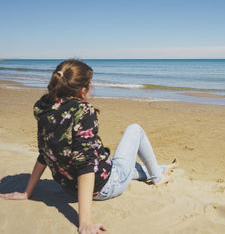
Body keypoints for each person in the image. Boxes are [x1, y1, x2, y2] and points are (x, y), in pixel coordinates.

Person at [0, 59, 178, 234]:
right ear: (83, 90)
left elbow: (46, 153)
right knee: (135, 130)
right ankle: (158, 177)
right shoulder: (83, 111)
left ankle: (162, 168)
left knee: (131, 168)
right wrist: (85, 221)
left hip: (70, 187)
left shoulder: (44, 108)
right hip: (104, 186)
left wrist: (27, 192)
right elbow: (85, 164)